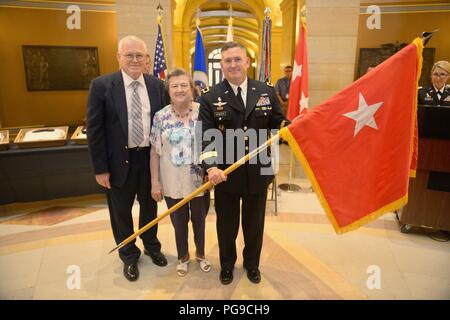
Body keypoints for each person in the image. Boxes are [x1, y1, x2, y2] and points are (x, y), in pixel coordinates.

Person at [198, 42, 288, 285]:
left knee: (254, 224)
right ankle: (227, 265)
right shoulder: (210, 96)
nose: (233, 64)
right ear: (222, 65)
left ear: (248, 62)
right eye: (227, 60)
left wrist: (290, 128)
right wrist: (212, 167)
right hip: (225, 173)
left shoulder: (266, 92)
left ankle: (252, 264)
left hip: (259, 170)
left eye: (238, 59)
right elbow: (205, 136)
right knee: (227, 226)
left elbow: (277, 123)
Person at [86, 35, 169, 282]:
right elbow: (95, 129)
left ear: (146, 59)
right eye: (129, 55)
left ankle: (152, 246)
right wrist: (100, 169)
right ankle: (129, 256)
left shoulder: (156, 86)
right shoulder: (101, 86)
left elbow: (163, 125)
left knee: (150, 207)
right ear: (119, 57)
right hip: (117, 163)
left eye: (139, 55)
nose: (135, 60)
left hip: (149, 160)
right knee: (121, 212)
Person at [150, 68, 211, 277]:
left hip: (199, 180)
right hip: (172, 181)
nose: (179, 89)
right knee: (179, 223)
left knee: (200, 222)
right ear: (169, 90)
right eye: (174, 86)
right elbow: (155, 152)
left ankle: (201, 255)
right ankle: (183, 257)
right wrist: (154, 182)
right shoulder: (160, 116)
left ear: (192, 89)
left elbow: (213, 144)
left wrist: (212, 169)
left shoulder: (204, 111)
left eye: (184, 85)